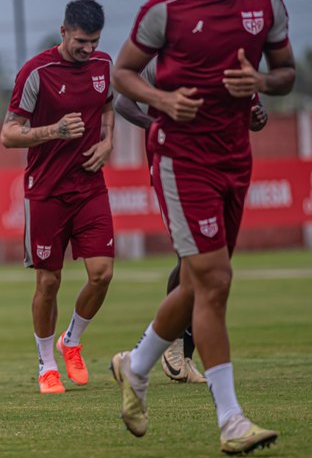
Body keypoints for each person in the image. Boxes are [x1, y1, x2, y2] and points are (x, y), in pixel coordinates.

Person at [109, 0, 295, 453]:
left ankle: (135, 365)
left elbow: (286, 74)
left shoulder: (266, 4)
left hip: (235, 157)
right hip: (180, 157)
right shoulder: (165, 11)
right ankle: (231, 420)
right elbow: (121, 75)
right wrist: (163, 98)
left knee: (196, 285)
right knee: (215, 280)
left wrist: (260, 83)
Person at [113, 58, 269, 385]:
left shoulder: (237, 61)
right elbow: (123, 101)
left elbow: (254, 114)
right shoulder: (166, 59)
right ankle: (173, 350)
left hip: (220, 167)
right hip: (175, 165)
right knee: (197, 259)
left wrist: (257, 117)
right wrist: (154, 123)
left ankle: (150, 357)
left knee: (211, 264)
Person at [1, 0, 115, 394]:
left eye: (95, 42)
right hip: (46, 191)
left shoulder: (103, 66)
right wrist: (53, 131)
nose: (88, 49)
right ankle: (46, 364)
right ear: (63, 31)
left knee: (102, 274)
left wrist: (108, 141)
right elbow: (8, 134)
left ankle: (72, 340)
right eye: (81, 41)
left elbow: (109, 105)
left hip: (89, 187)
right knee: (49, 282)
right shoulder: (36, 72)